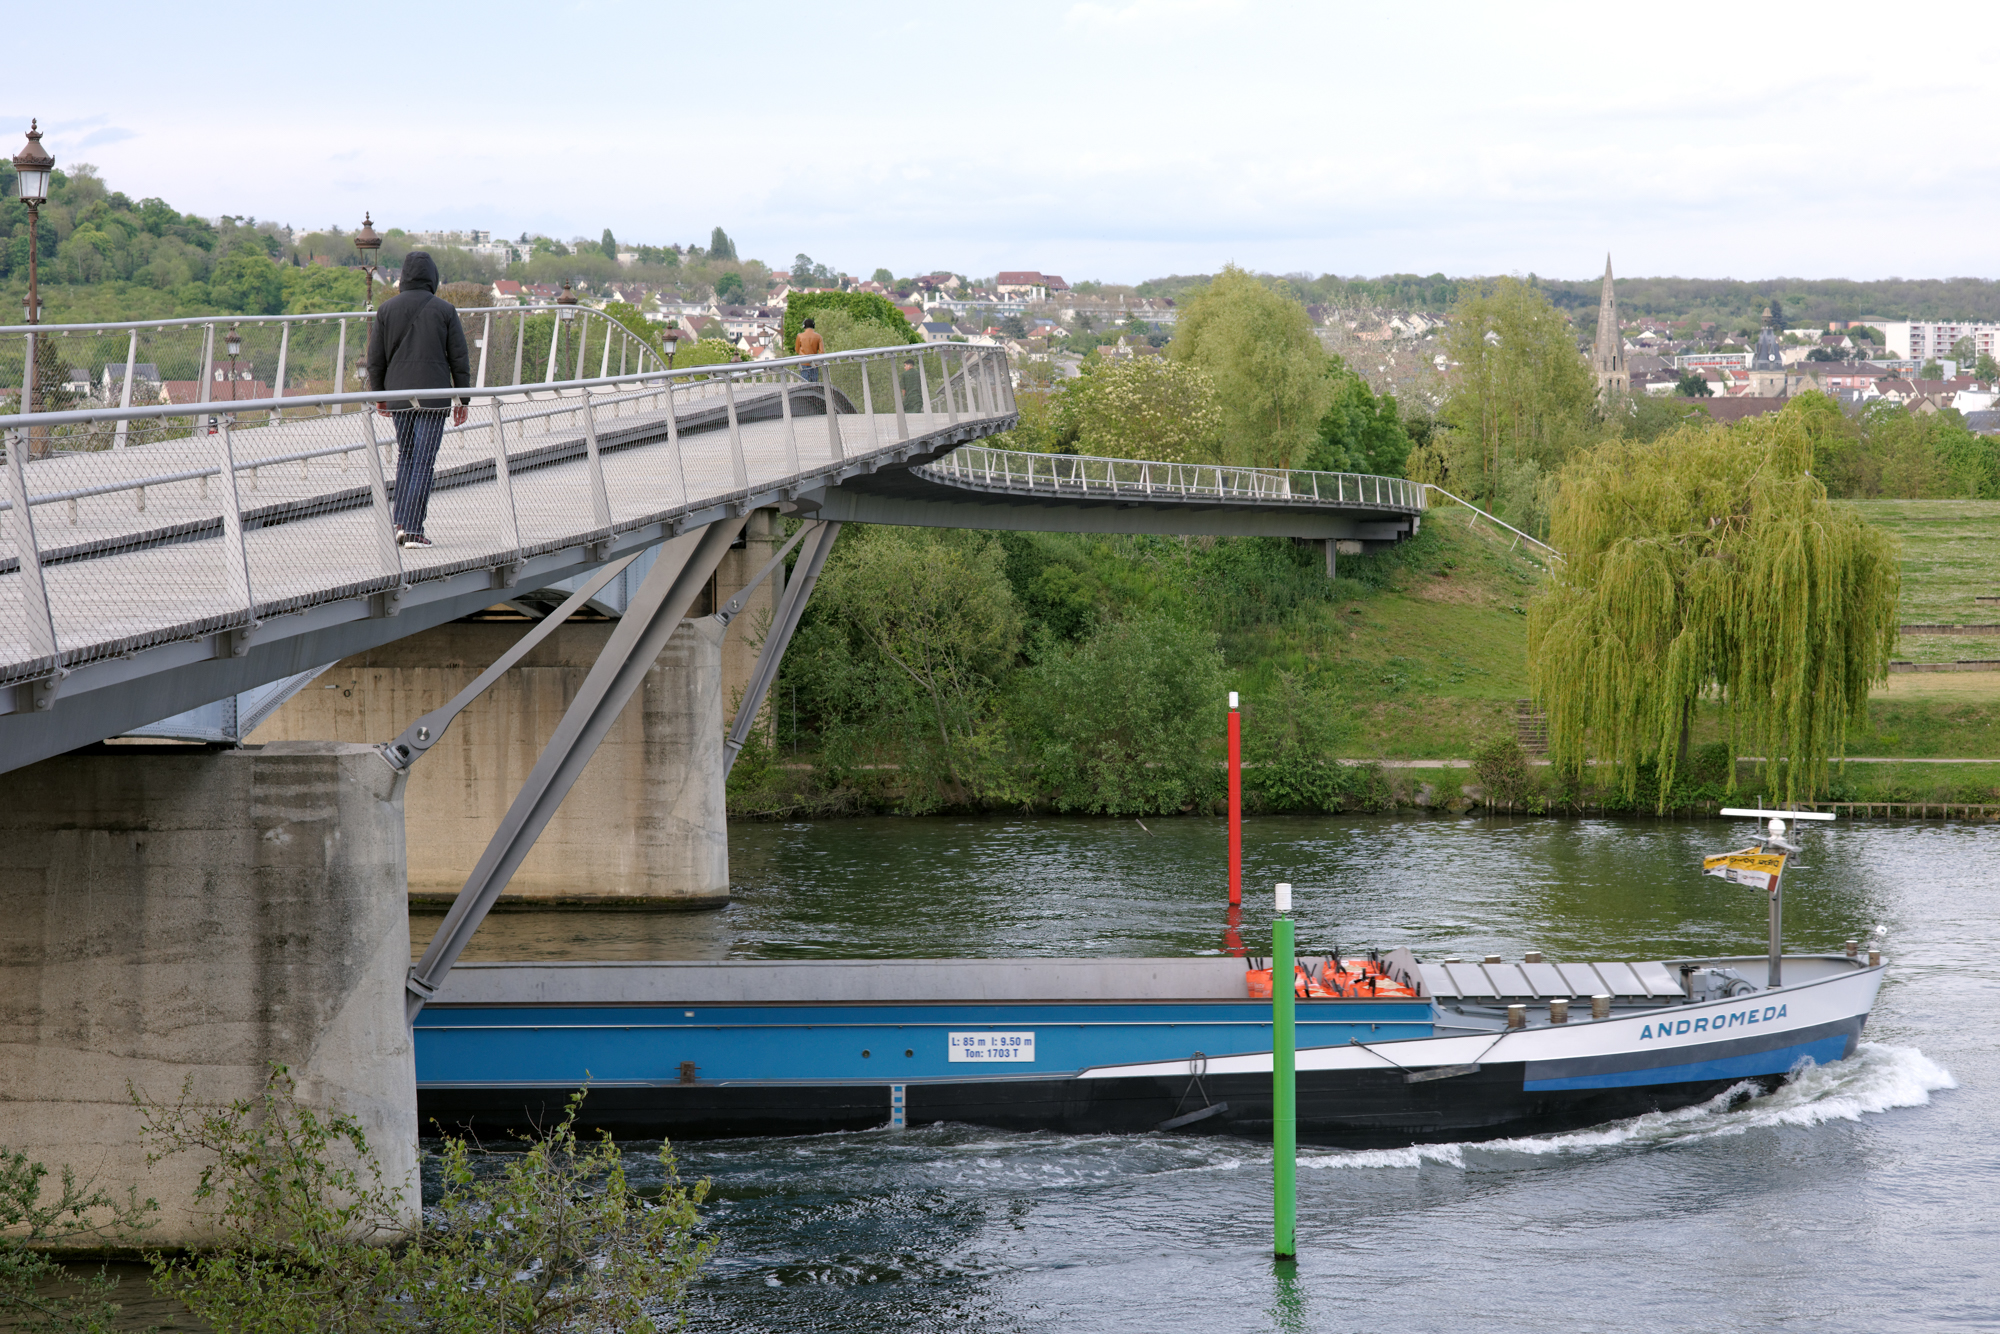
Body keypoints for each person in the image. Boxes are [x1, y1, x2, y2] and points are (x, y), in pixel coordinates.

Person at [365, 251, 470, 549]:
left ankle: (400, 523)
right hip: (434, 396)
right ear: (432, 277)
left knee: (407, 455)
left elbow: (375, 359)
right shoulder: (445, 310)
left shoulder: (386, 310)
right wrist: (463, 399)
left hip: (398, 394)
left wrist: (380, 396)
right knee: (424, 460)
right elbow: (459, 358)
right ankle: (413, 530)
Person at [794, 317, 823, 382]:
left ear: (804, 326)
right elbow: (822, 352)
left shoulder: (800, 336)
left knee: (804, 382)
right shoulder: (818, 336)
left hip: (803, 362)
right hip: (814, 362)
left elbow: (797, 349)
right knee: (814, 383)